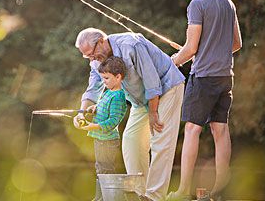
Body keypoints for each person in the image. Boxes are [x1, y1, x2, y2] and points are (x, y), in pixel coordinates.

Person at [73, 28, 185, 201]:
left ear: (102, 41)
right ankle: (140, 194)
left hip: (166, 87)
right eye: (88, 57)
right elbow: (94, 86)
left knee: (160, 139)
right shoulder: (97, 61)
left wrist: (153, 112)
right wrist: (82, 112)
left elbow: (152, 80)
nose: (92, 59)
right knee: (131, 140)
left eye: (92, 54)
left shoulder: (131, 45)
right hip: (141, 100)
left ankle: (154, 197)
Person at [168, 0, 242, 201]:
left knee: (191, 129)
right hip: (225, 77)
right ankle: (221, 190)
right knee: (220, 130)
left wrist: (173, 61)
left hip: (204, 77)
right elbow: (237, 43)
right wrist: (212, 51)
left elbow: (190, 49)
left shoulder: (197, 4)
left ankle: (183, 191)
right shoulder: (227, 2)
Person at [80, 56, 128, 201]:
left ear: (118, 77)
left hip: (108, 141)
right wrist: (94, 108)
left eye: (106, 78)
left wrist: (94, 126)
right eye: (102, 78)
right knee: (100, 169)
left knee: (106, 170)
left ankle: (108, 198)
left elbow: (113, 120)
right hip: (99, 139)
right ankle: (99, 198)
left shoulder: (118, 96)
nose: (104, 82)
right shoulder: (108, 91)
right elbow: (102, 106)